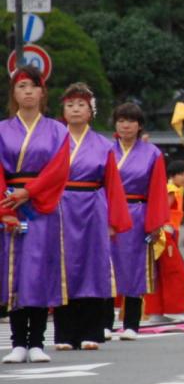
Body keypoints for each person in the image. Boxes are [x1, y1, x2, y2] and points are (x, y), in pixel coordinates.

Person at [53, 84, 132, 351]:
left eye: (81, 105)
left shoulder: (103, 144)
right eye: (70, 105)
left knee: (93, 267)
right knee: (65, 267)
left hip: (94, 206)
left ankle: (92, 331)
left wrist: (114, 220)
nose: (75, 110)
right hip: (61, 206)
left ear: (91, 111)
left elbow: (112, 183)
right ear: (63, 111)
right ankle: (64, 333)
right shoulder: (54, 139)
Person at [1, 67, 70, 364]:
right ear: (14, 94)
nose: (28, 91)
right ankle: (17, 342)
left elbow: (59, 170)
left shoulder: (58, 130)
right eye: (22, 86)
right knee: (15, 273)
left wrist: (29, 192)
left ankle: (38, 341)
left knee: (39, 272)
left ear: (43, 93)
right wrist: (5, 207)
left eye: (33, 86)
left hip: (42, 205)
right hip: (10, 205)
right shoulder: (2, 129)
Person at [111, 102, 170, 339]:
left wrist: (156, 222)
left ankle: (131, 324)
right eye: (121, 120)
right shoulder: (106, 150)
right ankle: (105, 322)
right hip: (109, 214)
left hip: (137, 212)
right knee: (107, 268)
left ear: (139, 125)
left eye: (131, 121)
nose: (126, 125)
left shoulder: (152, 153)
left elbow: (157, 190)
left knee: (135, 268)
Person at [144, 159, 184, 320]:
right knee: (176, 273)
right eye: (182, 175)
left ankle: (156, 312)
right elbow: (162, 212)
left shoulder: (176, 189)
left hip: (164, 236)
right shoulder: (171, 190)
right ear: (172, 175)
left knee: (158, 273)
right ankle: (177, 310)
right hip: (164, 236)